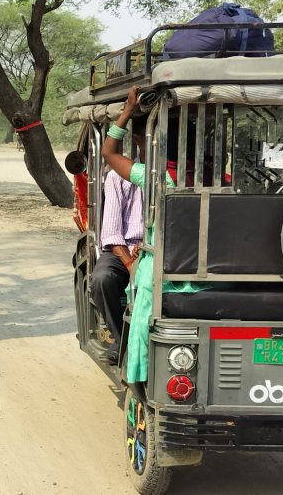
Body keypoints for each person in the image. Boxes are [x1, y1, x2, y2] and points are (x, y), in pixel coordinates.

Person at [101, 86, 213, 384]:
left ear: (155, 143)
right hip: (209, 270)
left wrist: (128, 109)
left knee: (142, 305)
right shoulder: (217, 178)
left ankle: (139, 376)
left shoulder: (156, 176)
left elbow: (109, 152)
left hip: (163, 267)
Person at [91, 167, 143, 365]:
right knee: (102, 279)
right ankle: (121, 339)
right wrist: (130, 264)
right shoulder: (118, 176)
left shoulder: (177, 176)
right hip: (123, 248)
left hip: (160, 249)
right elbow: (112, 233)